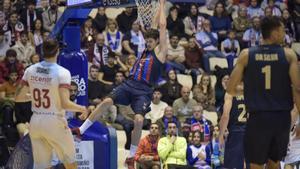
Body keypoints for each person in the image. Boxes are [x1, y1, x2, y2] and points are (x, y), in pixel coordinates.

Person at [72, 0, 167, 168]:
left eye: (152, 40)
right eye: (148, 40)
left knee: (138, 120)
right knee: (106, 101)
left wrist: (161, 3)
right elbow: (153, 25)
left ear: (157, 42)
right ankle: (81, 130)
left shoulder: (160, 53)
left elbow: (161, 26)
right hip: (128, 84)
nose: (149, 42)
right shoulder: (145, 49)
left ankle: (131, 157)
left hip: (143, 91)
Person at [227, 16, 300, 169]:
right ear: (274, 33)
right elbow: (298, 89)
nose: (284, 34)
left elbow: (230, 88)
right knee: (275, 162)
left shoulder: (247, 55)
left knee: (256, 164)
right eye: (281, 31)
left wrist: (250, 89)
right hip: (281, 118)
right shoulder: (288, 55)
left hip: (258, 118)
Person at [15, 39, 87, 169]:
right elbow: (65, 104)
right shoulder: (62, 72)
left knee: (43, 166)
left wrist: (34, 97)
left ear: (42, 51)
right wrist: (82, 108)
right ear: (58, 51)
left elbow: (18, 98)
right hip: (54, 121)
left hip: (36, 121)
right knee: (71, 164)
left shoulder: (30, 70)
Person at [218, 83, 247, 169]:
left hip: (236, 132)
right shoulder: (251, 93)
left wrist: (221, 135)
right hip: (250, 132)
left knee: (232, 165)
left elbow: (225, 116)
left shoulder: (230, 94)